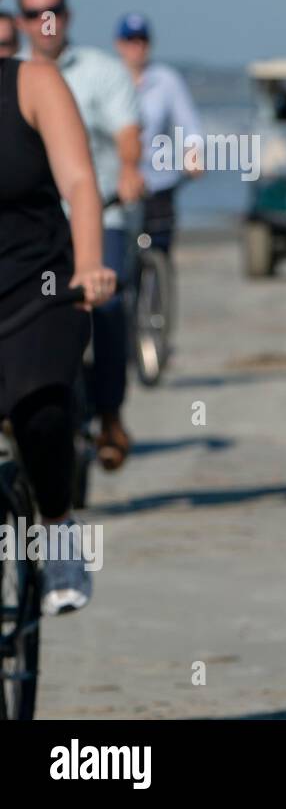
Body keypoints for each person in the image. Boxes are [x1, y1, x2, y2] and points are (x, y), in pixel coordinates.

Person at [0, 54, 117, 613]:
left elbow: (78, 180)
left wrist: (90, 264)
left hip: (41, 288)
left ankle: (58, 531)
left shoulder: (31, 82)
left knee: (41, 407)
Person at [15, 0, 142, 471]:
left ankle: (110, 414)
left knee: (105, 304)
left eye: (53, 10)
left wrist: (130, 169)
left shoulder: (102, 72)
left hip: (102, 211)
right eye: (32, 13)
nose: (44, 21)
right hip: (38, 228)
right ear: (21, 21)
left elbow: (127, 136)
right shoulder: (16, 77)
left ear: (67, 15)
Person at [114, 13, 204, 255]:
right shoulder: (109, 79)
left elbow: (189, 125)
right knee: (117, 249)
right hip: (119, 179)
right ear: (119, 44)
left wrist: (192, 153)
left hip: (159, 179)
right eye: (131, 40)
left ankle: (159, 283)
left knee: (160, 246)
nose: (137, 46)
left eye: (142, 40)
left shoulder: (167, 80)